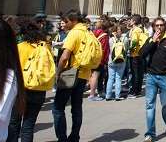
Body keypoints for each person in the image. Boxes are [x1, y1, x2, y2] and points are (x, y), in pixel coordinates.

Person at [7, 18, 55, 142]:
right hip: (38, 89)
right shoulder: (44, 47)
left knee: (14, 123)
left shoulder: (20, 47)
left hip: (20, 89)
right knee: (28, 126)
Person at [53, 10, 94, 142]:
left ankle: (62, 139)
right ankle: (75, 136)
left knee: (58, 108)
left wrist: (57, 72)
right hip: (83, 74)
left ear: (74, 21)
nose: (64, 24)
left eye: (66, 21)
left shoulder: (74, 33)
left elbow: (64, 57)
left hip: (70, 74)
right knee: (76, 107)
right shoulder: (88, 32)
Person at [139, 17, 166, 142]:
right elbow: (141, 54)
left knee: (165, 105)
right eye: (157, 25)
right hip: (151, 77)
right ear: (153, 26)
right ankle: (150, 134)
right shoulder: (150, 39)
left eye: (162, 25)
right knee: (150, 105)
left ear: (165, 26)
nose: (159, 27)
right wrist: (152, 42)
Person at [88, 20, 109, 101]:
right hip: (99, 59)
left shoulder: (94, 33)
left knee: (92, 75)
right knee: (95, 76)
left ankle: (94, 92)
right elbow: (104, 49)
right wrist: (104, 61)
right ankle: (92, 94)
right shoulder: (104, 36)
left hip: (92, 57)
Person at [128, 15, 148, 98]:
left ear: (134, 22)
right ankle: (138, 90)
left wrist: (130, 49)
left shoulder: (135, 30)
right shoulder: (143, 29)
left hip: (135, 54)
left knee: (135, 73)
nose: (129, 21)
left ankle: (134, 91)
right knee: (140, 73)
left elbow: (135, 41)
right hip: (141, 53)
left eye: (131, 20)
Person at [106, 25, 127, 101]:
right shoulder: (125, 39)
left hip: (112, 60)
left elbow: (110, 49)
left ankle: (108, 96)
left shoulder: (111, 39)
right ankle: (117, 96)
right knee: (118, 78)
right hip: (121, 60)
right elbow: (126, 49)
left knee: (110, 78)